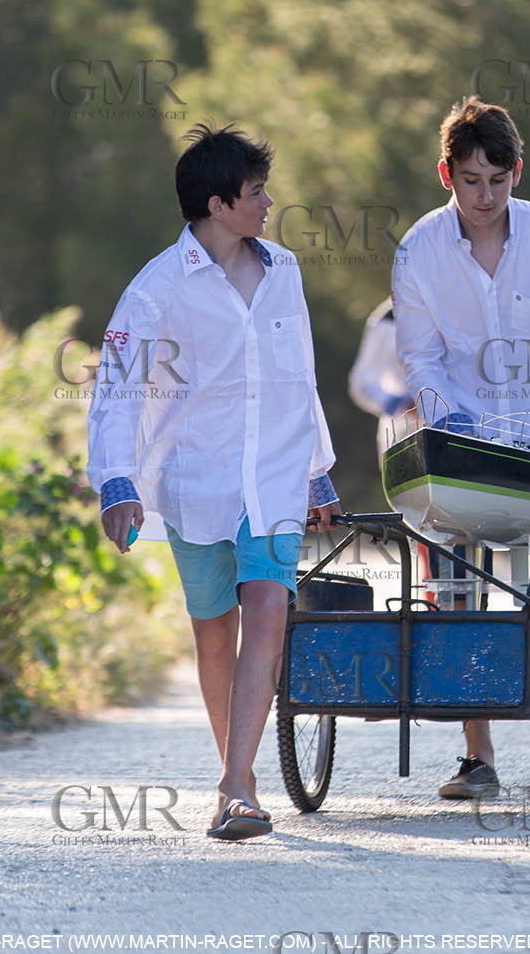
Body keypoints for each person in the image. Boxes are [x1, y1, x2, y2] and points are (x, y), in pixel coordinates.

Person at [88, 122, 342, 841]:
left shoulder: (284, 269)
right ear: (217, 203)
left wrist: (318, 472)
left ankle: (235, 784)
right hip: (195, 479)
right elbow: (118, 388)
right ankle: (240, 772)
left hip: (275, 476)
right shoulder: (157, 288)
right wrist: (116, 480)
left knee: (267, 609)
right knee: (212, 634)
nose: (268, 202)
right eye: (257, 191)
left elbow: (300, 376)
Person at [391, 96, 530, 799]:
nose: (484, 197)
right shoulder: (418, 249)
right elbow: (420, 356)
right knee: (457, 584)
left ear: (517, 171)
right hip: (461, 442)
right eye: (469, 181)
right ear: (446, 175)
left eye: (497, 179)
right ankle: (477, 753)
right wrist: (448, 421)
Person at [348, 296, 416, 464]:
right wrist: (406, 406)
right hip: (405, 441)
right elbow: (362, 384)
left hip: (468, 435)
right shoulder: (389, 319)